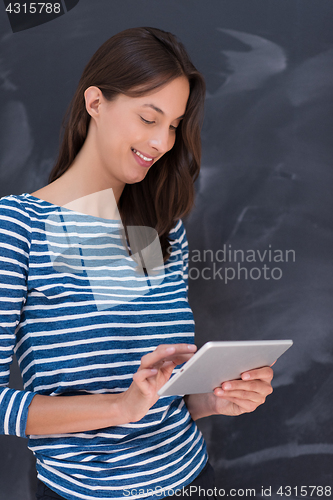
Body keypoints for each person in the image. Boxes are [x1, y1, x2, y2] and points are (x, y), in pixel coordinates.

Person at [0, 27, 273, 500]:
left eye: (173, 125)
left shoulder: (157, 230)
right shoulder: (18, 227)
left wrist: (215, 398)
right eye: (149, 117)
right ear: (95, 103)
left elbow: (158, 393)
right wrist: (119, 408)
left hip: (191, 478)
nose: (163, 141)